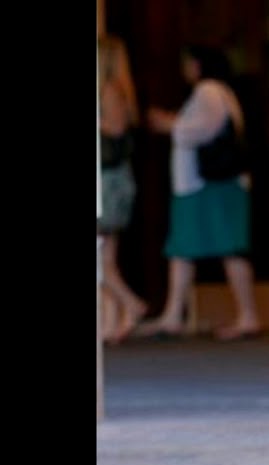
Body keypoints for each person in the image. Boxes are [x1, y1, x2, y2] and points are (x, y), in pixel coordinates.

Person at [138, 45, 261, 341]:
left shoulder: (209, 90)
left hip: (208, 186)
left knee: (225, 248)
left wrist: (169, 124)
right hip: (205, 186)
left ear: (198, 65)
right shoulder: (221, 92)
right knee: (184, 249)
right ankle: (173, 315)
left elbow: (204, 128)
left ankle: (245, 315)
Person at [98, 34, 148, 344]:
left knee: (102, 258)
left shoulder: (111, 90)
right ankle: (112, 321)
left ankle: (131, 304)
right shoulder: (118, 90)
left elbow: (113, 131)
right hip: (112, 180)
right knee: (106, 258)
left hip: (108, 182)